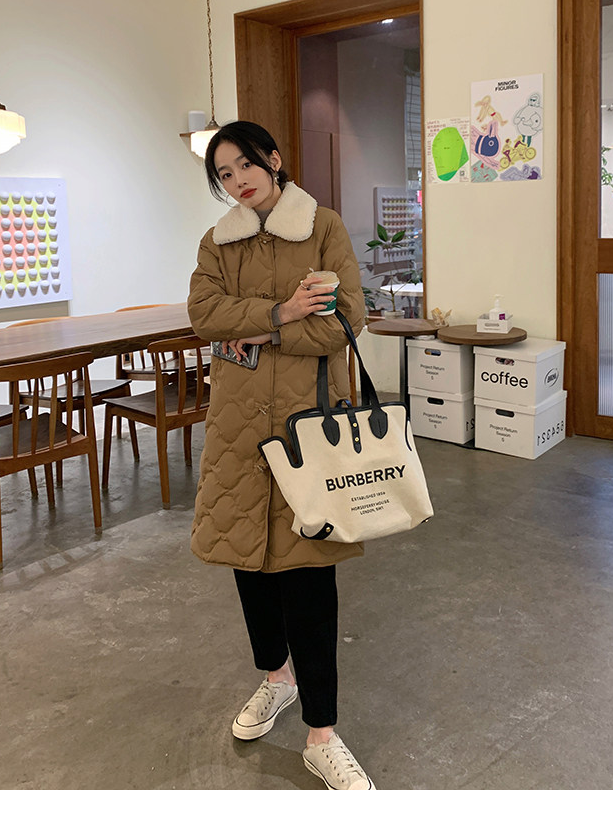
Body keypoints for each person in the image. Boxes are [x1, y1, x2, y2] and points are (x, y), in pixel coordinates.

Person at [188, 120, 374, 791]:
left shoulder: (322, 228)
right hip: (238, 431)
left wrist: (264, 329)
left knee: (309, 575)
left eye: (245, 164)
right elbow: (204, 315)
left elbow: (344, 321)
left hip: (307, 426)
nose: (238, 181)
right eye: (224, 174)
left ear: (273, 158)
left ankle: (322, 734)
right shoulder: (218, 242)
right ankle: (277, 678)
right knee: (248, 562)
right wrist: (282, 311)